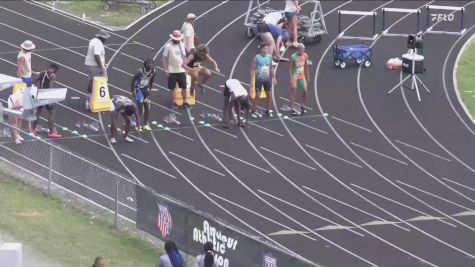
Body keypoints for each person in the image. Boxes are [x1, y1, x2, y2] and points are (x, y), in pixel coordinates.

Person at [32, 63, 62, 138]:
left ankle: (33, 129)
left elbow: (36, 81)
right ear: (55, 69)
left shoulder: (42, 72)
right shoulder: (52, 75)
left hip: (40, 94)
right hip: (46, 95)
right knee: (51, 113)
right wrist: (50, 97)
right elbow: (50, 86)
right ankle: (51, 132)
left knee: (38, 112)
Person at [85, 29, 111, 111]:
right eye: (105, 38)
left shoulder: (92, 40)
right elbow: (96, 55)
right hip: (96, 66)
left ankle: (88, 101)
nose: (106, 40)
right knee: (102, 83)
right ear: (101, 37)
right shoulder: (99, 44)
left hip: (89, 65)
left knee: (90, 82)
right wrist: (100, 67)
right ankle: (99, 102)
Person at [162, 30, 188, 110]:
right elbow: (164, 58)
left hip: (181, 70)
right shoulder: (168, 46)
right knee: (172, 88)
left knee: (184, 87)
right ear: (172, 38)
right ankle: (174, 103)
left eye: (178, 39)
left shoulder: (182, 45)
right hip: (172, 71)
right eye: (176, 39)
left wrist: (186, 67)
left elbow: (184, 57)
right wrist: (165, 70)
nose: (177, 40)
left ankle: (185, 102)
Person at [250, 44, 276, 117]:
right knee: (257, 95)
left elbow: (271, 68)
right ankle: (253, 109)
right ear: (261, 49)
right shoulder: (256, 58)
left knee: (268, 94)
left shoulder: (269, 57)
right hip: (259, 79)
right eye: (264, 48)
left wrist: (274, 77)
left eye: (267, 49)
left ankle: (267, 110)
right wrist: (252, 79)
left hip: (266, 79)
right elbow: (252, 69)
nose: (266, 50)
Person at [131, 58, 155, 131]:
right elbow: (133, 80)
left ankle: (145, 124)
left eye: (152, 64)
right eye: (150, 64)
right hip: (139, 91)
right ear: (146, 65)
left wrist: (149, 88)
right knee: (140, 108)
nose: (151, 66)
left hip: (146, 91)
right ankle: (137, 125)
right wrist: (133, 91)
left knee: (147, 108)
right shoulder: (140, 71)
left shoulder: (153, 71)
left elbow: (152, 80)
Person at [289, 43, 309, 115]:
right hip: (295, 76)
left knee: (305, 90)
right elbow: (290, 68)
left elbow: (306, 66)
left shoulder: (305, 55)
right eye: (301, 50)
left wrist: (308, 76)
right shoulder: (293, 57)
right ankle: (291, 107)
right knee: (294, 90)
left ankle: (302, 105)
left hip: (302, 76)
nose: (302, 51)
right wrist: (291, 78)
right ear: (298, 50)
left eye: (303, 50)